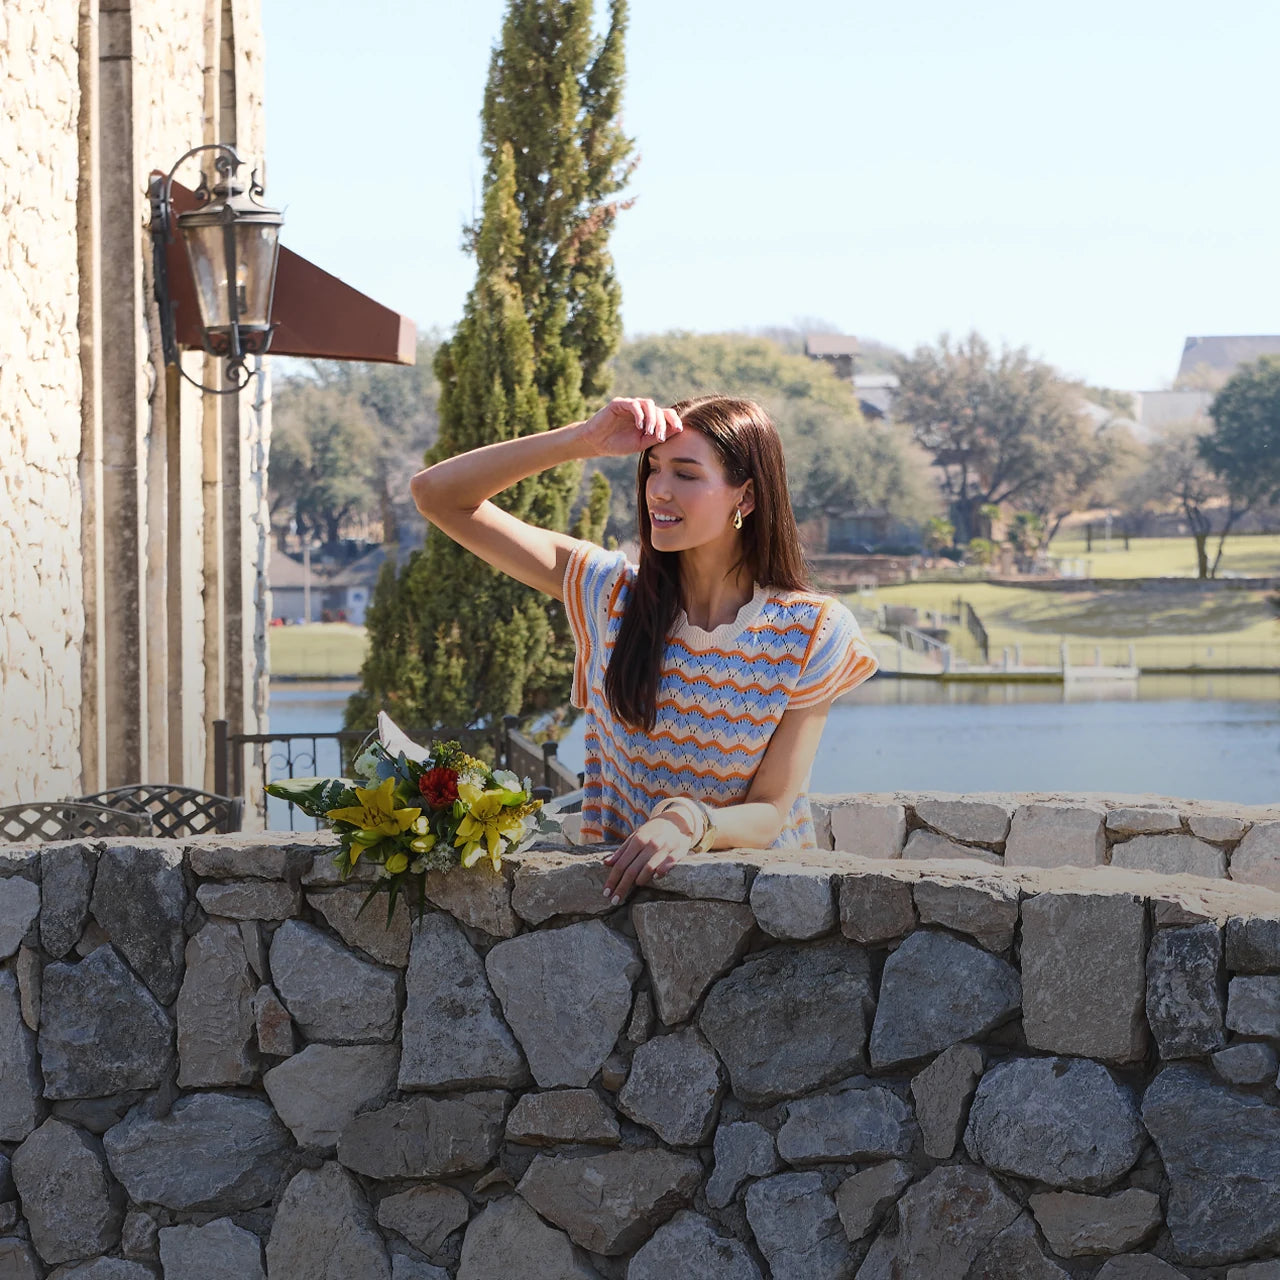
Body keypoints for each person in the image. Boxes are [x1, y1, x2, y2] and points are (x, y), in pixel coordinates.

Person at [409, 394, 878, 902]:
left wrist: (688, 821)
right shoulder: (608, 593)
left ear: (744, 498)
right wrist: (582, 441)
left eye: (686, 474)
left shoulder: (812, 630)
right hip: (617, 921)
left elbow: (770, 810)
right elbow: (437, 494)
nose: (658, 490)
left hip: (764, 914)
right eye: (653, 469)